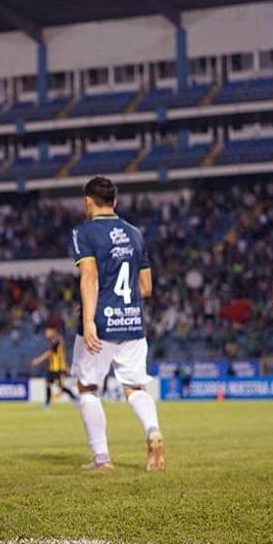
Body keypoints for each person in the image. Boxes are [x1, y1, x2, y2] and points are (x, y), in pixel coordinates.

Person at [70, 176, 166, 471]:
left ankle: (102, 459)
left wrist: (88, 321)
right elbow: (147, 287)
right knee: (135, 388)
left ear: (88, 201)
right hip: (133, 322)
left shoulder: (84, 232)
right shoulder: (135, 233)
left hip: (102, 322)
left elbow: (89, 276)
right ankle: (153, 431)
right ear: (115, 201)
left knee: (87, 388)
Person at [31, 324, 77, 406]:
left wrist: (38, 360)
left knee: (59, 386)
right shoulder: (55, 340)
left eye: (48, 332)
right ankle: (48, 403)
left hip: (57, 368)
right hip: (53, 367)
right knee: (50, 384)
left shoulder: (57, 340)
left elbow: (49, 353)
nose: (46, 334)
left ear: (53, 332)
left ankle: (75, 398)